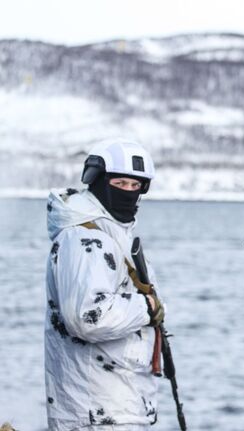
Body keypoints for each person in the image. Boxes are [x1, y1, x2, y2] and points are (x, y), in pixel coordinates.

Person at [45, 138, 164, 430]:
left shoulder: (111, 233)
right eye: (120, 183)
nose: (128, 192)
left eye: (135, 186)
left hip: (115, 401)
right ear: (96, 180)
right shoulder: (86, 238)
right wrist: (146, 307)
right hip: (95, 408)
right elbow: (86, 317)